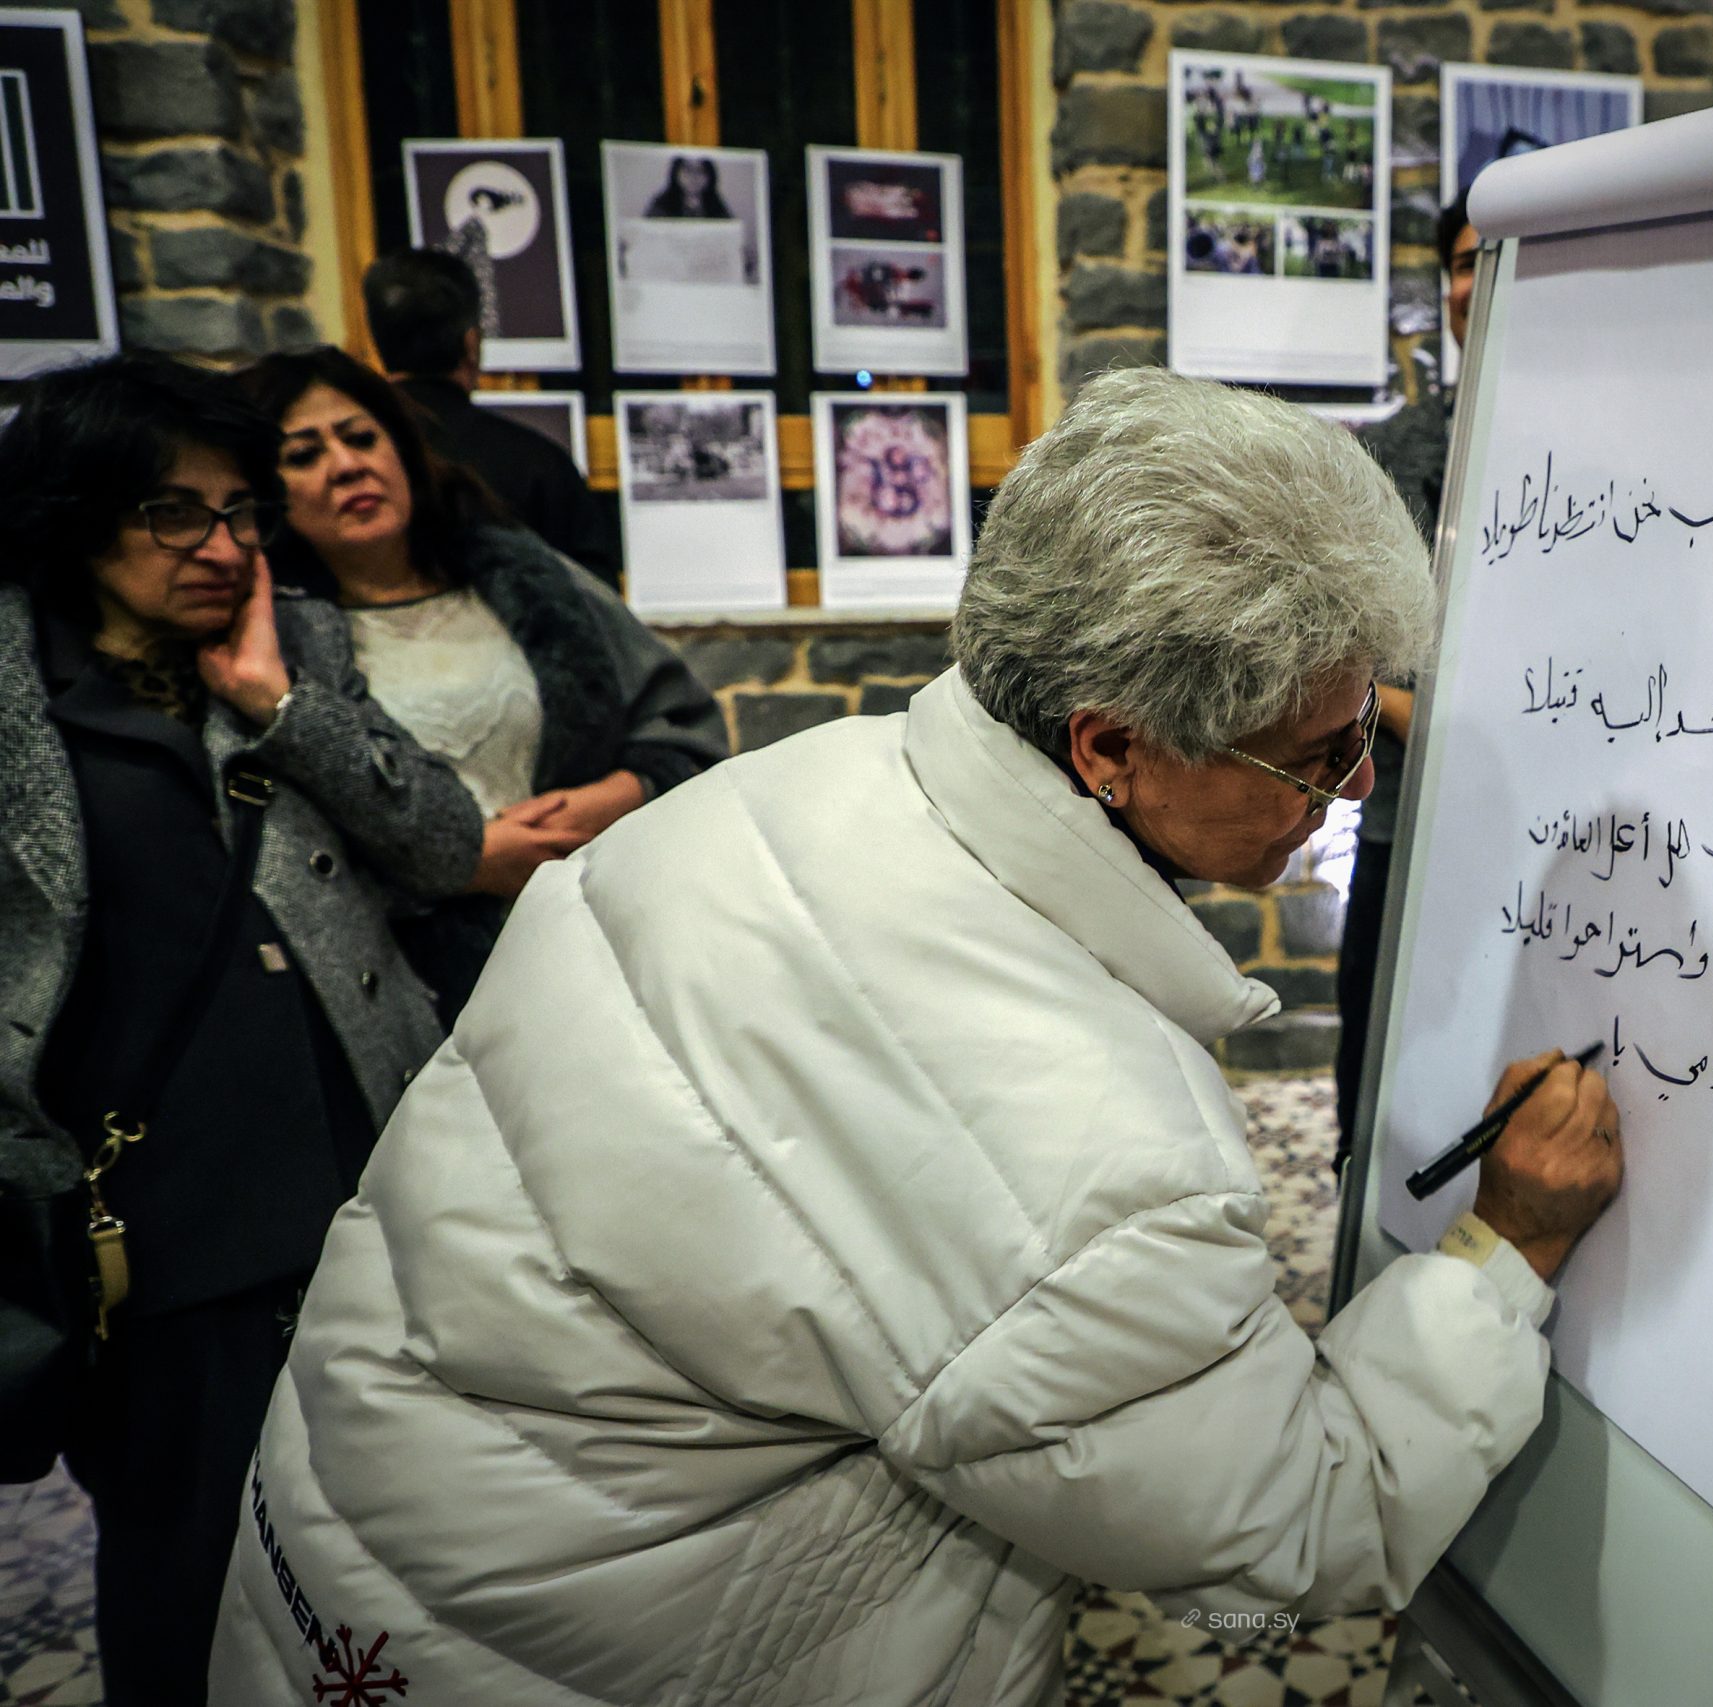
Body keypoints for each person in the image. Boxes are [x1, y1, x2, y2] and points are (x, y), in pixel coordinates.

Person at [209, 367, 1624, 1704]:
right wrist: (1503, 1251)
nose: (1357, 786)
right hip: (572, 1647)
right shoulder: (1092, 1151)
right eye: (1318, 754)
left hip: (371, 1564)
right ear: (1111, 747)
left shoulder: (791, 788)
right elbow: (1299, 1525)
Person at [0, 353, 488, 1706]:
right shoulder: (20, 702)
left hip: (361, 1205)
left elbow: (443, 842)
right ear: (76, 514)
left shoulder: (294, 651)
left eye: (239, 511)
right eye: (175, 512)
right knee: (191, 1574)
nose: (221, 547)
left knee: (387, 1564)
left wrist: (280, 703)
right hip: (153, 1252)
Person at [234, 346, 729, 1023]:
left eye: (361, 437)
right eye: (303, 455)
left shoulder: (529, 579)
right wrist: (463, 859)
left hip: (600, 950)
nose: (347, 465)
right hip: (415, 994)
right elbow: (286, 853)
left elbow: (683, 727)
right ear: (264, 492)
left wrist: (620, 794)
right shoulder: (275, 645)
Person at [1337, 196, 1480, 1168]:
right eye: (1466, 261)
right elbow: (1338, 646)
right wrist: (1416, 720)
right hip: (1408, 828)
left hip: (1569, 835)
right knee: (1382, 1085)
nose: (1482, 280)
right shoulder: (1387, 455)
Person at [361, 247, 621, 585]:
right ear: (472, 344)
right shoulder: (538, 465)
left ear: (377, 344)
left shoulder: (350, 462)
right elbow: (595, 598)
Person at [645, 153, 730, 219]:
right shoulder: (662, 206)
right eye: (687, 170)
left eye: (700, 170)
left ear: (709, 177)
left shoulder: (718, 209)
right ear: (676, 174)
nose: (694, 176)